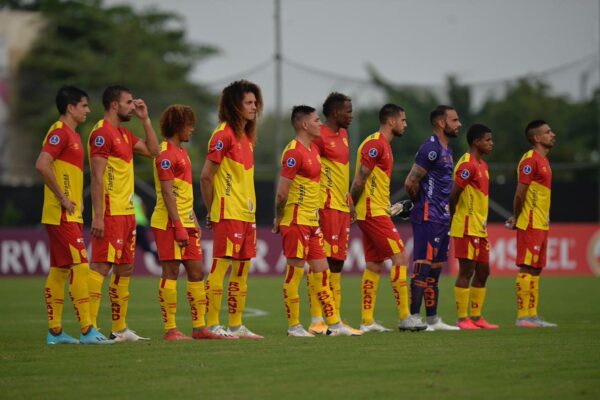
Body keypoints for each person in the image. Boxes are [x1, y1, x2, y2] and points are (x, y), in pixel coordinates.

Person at [35, 85, 112, 344]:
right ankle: (87, 329)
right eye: (84, 105)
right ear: (70, 108)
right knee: (80, 266)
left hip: (69, 214)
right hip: (61, 213)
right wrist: (62, 197)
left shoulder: (74, 136)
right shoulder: (60, 133)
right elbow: (42, 164)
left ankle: (55, 332)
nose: (89, 110)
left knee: (59, 270)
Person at [273, 105, 354, 337]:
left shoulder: (313, 151)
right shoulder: (293, 152)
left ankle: (334, 323)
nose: (320, 124)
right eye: (317, 120)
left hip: (312, 221)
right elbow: (282, 193)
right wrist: (279, 217)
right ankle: (294, 326)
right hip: (296, 221)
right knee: (295, 273)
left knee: (322, 271)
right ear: (304, 124)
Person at [87, 85, 160, 342]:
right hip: (110, 213)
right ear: (114, 105)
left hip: (128, 214)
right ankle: (89, 329)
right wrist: (98, 216)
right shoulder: (101, 134)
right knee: (100, 267)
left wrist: (145, 120)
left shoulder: (125, 135)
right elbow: (97, 177)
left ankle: (119, 329)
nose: (133, 105)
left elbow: (154, 151)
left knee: (125, 269)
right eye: (129, 102)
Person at [350, 104, 426, 333]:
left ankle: (367, 320)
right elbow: (359, 181)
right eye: (402, 120)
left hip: (376, 210)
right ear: (391, 121)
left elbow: (372, 183)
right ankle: (405, 317)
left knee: (374, 263)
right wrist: (351, 206)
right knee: (400, 256)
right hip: (371, 211)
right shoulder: (375, 144)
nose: (405, 124)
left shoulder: (383, 145)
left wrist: (389, 208)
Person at [150, 105, 225, 341]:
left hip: (186, 221)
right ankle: (171, 329)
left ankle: (199, 327)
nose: (192, 129)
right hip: (169, 223)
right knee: (171, 271)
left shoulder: (182, 152)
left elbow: (183, 193)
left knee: (196, 271)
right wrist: (179, 225)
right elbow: (168, 193)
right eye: (189, 125)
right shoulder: (164, 154)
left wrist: (192, 219)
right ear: (177, 126)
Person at [200, 80, 264, 339]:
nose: (254, 107)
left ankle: (236, 325)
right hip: (228, 212)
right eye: (248, 103)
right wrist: (213, 209)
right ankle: (213, 324)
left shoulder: (246, 137)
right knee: (220, 267)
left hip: (247, 213)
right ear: (234, 105)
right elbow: (206, 176)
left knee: (242, 270)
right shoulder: (223, 134)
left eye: (255, 102)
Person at [308, 92, 361, 335]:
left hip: (341, 206)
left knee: (338, 263)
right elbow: (311, 172)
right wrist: (314, 205)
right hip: (325, 207)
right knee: (323, 263)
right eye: (348, 111)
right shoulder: (318, 137)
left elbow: (341, 172)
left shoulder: (345, 135)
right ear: (335, 113)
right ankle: (317, 319)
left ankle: (335, 320)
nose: (351, 115)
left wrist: (349, 199)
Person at [404, 105, 460, 331]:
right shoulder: (431, 149)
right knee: (423, 265)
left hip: (442, 216)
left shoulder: (447, 150)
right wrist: (420, 203)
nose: (459, 124)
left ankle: (432, 319)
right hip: (428, 215)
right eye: (454, 120)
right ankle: (414, 317)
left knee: (436, 267)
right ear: (441, 123)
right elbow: (410, 181)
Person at [505, 120, 558, 328]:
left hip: (542, 222)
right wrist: (517, 217)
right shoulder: (530, 160)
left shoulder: (545, 161)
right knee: (526, 267)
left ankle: (532, 315)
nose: (552, 134)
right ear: (536, 138)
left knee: (536, 268)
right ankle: (522, 317)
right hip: (530, 222)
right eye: (547, 132)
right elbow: (520, 193)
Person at [449, 124, 499, 330]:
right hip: (466, 226)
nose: (491, 143)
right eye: (488, 140)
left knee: (483, 271)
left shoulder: (483, 166)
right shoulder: (467, 165)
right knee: (466, 272)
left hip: (480, 227)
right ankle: (462, 319)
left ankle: (477, 317)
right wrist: (453, 219)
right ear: (476, 142)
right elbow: (453, 195)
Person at [133, 193, 158, 261]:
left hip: (133, 226)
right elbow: (143, 207)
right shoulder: (137, 197)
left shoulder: (124, 197)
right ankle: (158, 256)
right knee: (146, 247)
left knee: (126, 247)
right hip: (141, 224)